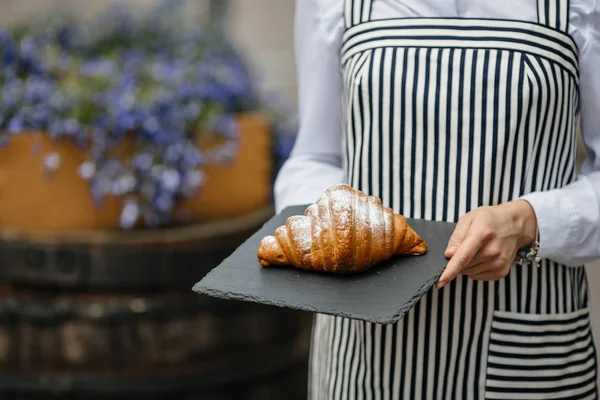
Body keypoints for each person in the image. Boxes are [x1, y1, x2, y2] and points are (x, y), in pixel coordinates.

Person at [274, 0, 600, 398]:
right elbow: (315, 156)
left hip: (526, 348)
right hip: (362, 351)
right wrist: (333, 231)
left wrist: (528, 221)